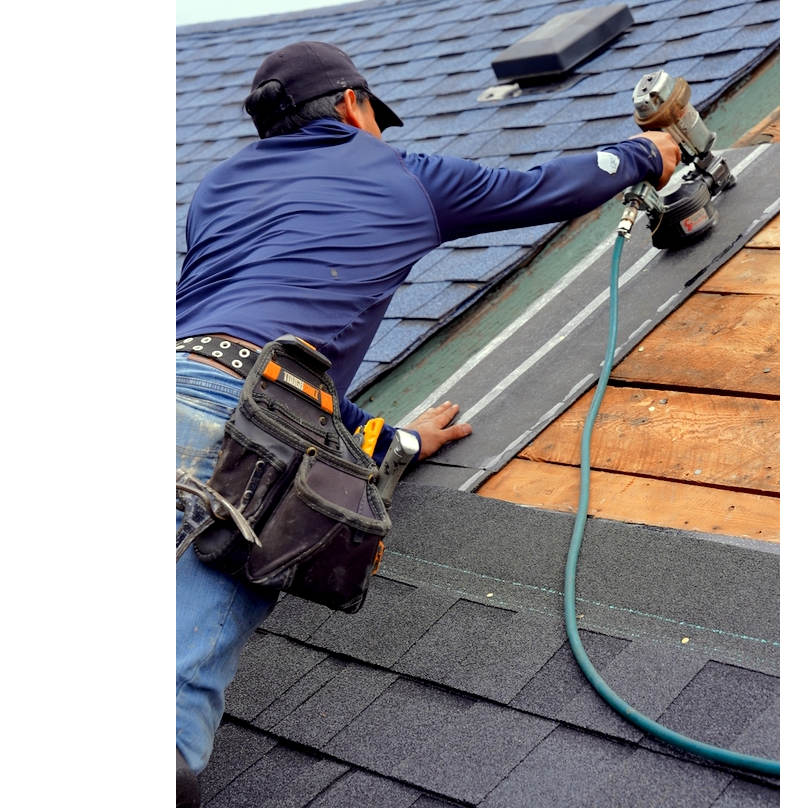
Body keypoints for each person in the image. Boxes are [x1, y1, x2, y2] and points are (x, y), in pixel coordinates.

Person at [175, 40, 678, 801]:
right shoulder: (398, 173)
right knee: (187, 663)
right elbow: (542, 185)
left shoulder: (216, 190)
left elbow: (256, 343)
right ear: (352, 106)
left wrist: (396, 440)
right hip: (242, 424)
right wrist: (646, 153)